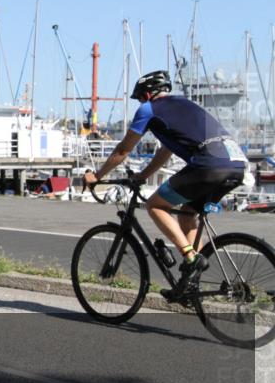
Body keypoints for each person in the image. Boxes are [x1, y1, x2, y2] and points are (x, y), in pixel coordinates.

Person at [84, 70, 247, 299]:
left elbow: (123, 150)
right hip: (237, 165)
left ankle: (190, 258)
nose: (140, 103)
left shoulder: (148, 109)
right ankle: (191, 285)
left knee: (155, 205)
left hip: (209, 165)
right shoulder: (184, 105)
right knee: (188, 213)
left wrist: (97, 176)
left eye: (140, 98)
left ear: (147, 94)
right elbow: (165, 151)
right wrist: (143, 175)